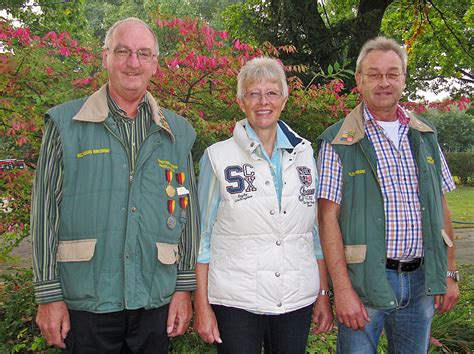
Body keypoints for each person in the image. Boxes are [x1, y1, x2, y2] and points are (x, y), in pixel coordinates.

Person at [31, 17, 199, 353]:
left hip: (154, 295)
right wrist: (48, 294)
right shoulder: (66, 124)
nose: (132, 62)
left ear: (155, 63)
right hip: (87, 297)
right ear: (106, 56)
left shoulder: (178, 134)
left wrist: (183, 288)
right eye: (122, 51)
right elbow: (44, 211)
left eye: (143, 53)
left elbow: (185, 210)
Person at [316, 36, 460, 353]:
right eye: (375, 74)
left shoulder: (425, 136)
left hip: (421, 281)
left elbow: (442, 206)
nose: (384, 82)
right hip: (364, 283)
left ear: (403, 79)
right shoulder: (339, 141)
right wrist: (341, 290)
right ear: (359, 79)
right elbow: (327, 220)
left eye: (392, 74)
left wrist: (449, 272)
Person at [194, 57, 333, 354]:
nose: (263, 102)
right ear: (241, 101)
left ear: (284, 99)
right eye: (253, 93)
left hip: (296, 298)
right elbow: (201, 238)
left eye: (271, 93)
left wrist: (322, 293)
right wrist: (201, 305)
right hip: (236, 300)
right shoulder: (217, 158)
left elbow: (315, 235)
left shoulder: (306, 154)